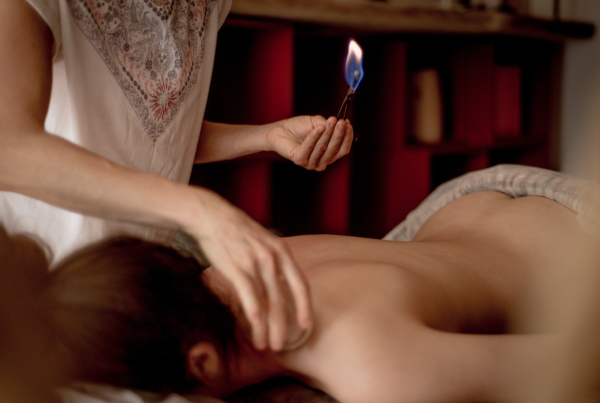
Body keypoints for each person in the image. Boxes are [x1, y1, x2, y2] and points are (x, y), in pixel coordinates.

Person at [37, 165, 600, 402]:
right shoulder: (236, 262)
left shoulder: (372, 366)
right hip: (462, 203)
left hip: (575, 241)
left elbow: (576, 365)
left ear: (202, 365)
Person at [0, 0, 355, 351]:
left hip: (133, 290)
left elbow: (149, 135)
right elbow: (9, 150)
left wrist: (266, 137)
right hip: (32, 290)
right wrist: (197, 210)